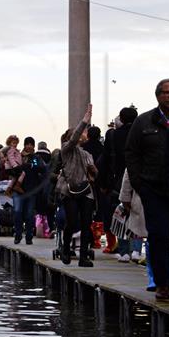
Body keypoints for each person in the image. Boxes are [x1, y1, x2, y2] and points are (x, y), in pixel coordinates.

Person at [126, 79, 169, 301]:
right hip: (154, 188)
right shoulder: (143, 122)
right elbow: (131, 153)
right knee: (159, 236)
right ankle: (162, 283)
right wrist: (138, 182)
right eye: (167, 93)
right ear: (158, 95)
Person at [58, 104, 97, 267]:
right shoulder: (67, 150)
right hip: (70, 190)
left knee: (87, 223)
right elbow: (74, 139)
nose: (84, 134)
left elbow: (94, 175)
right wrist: (85, 121)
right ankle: (66, 249)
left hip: (86, 190)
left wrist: (93, 170)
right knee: (72, 222)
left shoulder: (87, 154)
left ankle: (83, 257)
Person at [98, 106, 138, 255]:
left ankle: (123, 251)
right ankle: (136, 250)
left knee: (120, 213)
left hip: (117, 179)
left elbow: (105, 160)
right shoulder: (140, 133)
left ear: (121, 119)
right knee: (137, 213)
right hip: (138, 177)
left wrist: (103, 183)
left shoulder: (113, 135)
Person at [15, 137, 47, 244]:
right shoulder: (18, 156)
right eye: (27, 144)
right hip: (18, 189)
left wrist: (29, 163)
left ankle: (29, 236)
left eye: (31, 144)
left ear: (33, 146)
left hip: (31, 190)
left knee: (29, 214)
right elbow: (13, 168)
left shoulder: (35, 157)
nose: (28, 146)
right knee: (17, 212)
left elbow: (40, 168)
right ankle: (18, 235)